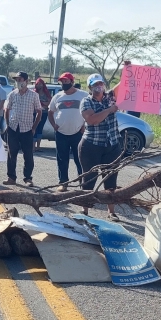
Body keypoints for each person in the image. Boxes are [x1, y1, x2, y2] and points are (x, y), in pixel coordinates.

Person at [79, 71, 125, 221]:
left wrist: (127, 69)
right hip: (91, 146)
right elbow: (92, 120)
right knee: (89, 178)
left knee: (111, 178)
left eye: (100, 83)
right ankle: (84, 210)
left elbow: (123, 84)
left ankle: (111, 212)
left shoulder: (110, 97)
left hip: (112, 145)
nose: (99, 87)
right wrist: (109, 110)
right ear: (90, 88)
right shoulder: (86, 102)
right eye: (95, 85)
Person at [48, 72, 87, 192]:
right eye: (62, 81)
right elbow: (50, 112)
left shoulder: (83, 95)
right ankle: (63, 183)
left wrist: (85, 125)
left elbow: (90, 111)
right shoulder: (57, 97)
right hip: (61, 133)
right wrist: (54, 125)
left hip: (78, 133)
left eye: (66, 81)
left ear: (72, 81)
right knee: (62, 159)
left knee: (80, 159)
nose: (64, 83)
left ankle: (83, 182)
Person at [3, 71, 41, 187]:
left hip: (27, 129)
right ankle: (11, 177)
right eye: (17, 80)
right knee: (11, 154)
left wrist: (34, 127)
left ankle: (28, 178)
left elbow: (39, 111)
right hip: (14, 128)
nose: (18, 82)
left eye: (20, 80)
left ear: (26, 81)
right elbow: (7, 109)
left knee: (28, 154)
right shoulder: (12, 94)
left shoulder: (34, 95)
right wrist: (8, 124)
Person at [33, 77, 51, 152]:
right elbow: (33, 103)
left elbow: (49, 103)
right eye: (37, 84)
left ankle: (38, 146)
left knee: (40, 129)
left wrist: (40, 103)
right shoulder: (34, 93)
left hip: (44, 113)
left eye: (40, 84)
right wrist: (42, 104)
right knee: (34, 128)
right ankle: (33, 147)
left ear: (43, 85)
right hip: (34, 113)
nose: (39, 85)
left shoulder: (46, 93)